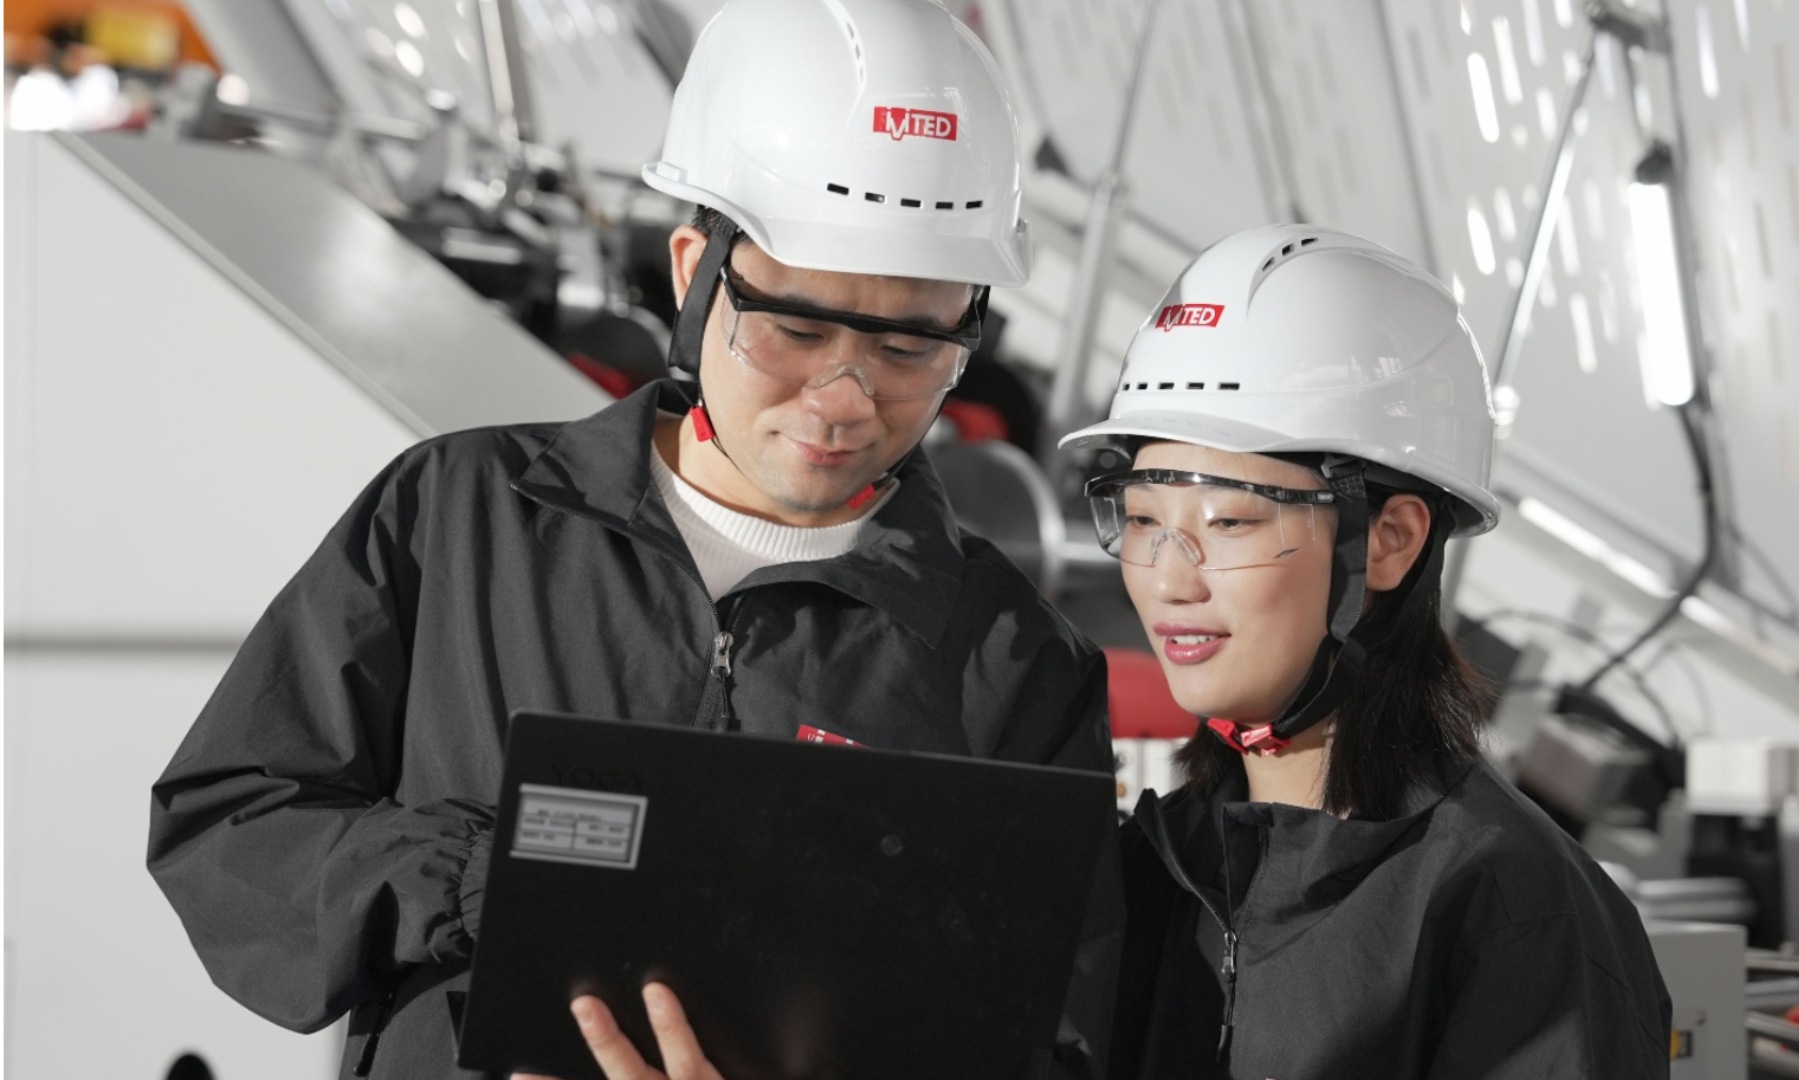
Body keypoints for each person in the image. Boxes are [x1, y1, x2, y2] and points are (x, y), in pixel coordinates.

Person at [146, 2, 1120, 1077]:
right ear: (695, 270)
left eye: (909, 349)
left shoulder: (1012, 662)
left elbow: (1055, 1034)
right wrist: (494, 881)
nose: (845, 398)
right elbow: (232, 827)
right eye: (795, 330)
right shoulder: (462, 517)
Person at [1057, 224, 1671, 1079]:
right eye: (1142, 519)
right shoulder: (1152, 870)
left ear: (1390, 540)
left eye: (1229, 521)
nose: (1168, 579)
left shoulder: (1513, 908)